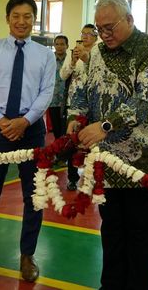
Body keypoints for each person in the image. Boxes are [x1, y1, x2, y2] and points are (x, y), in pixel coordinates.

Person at [67, 0, 148, 290]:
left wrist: (104, 126)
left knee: (142, 235)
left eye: (109, 27)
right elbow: (81, 86)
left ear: (129, 20)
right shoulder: (98, 53)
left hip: (147, 161)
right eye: (99, 29)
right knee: (112, 231)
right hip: (110, 161)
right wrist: (76, 117)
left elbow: (146, 99)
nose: (104, 35)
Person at [0, 0, 56, 285]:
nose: (22, 21)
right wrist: (1, 121)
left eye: (28, 16)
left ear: (35, 19)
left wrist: (25, 121)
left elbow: (47, 92)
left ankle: (27, 255)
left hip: (31, 130)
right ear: (7, 18)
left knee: (34, 197)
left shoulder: (45, 55)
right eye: (16, 16)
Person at [59, 23, 98, 190]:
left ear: (96, 36)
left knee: (93, 144)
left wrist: (86, 60)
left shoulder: (100, 52)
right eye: (83, 33)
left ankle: (92, 179)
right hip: (75, 106)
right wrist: (74, 62)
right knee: (73, 141)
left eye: (89, 33)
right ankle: (73, 178)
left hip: (95, 106)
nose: (85, 36)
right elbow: (63, 75)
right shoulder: (73, 52)